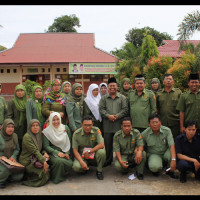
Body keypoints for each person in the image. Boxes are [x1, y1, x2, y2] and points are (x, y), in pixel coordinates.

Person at [99, 77, 128, 166]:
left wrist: (117, 116)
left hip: (118, 125)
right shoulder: (104, 98)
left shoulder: (122, 98)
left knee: (120, 144)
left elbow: (125, 109)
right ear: (108, 87)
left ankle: (120, 160)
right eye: (110, 86)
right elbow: (101, 109)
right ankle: (108, 160)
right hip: (107, 125)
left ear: (117, 87)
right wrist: (108, 116)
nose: (112, 87)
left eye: (114, 85)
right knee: (107, 144)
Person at [142, 113, 178, 179]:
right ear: (149, 124)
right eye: (152, 122)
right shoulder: (145, 133)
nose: (155, 124)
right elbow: (140, 145)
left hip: (165, 152)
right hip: (154, 154)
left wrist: (173, 159)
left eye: (156, 122)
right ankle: (155, 167)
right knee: (155, 167)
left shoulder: (167, 130)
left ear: (160, 123)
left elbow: (171, 145)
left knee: (172, 155)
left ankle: (170, 170)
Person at [72, 115, 106, 180]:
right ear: (82, 124)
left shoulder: (96, 130)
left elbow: (102, 144)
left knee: (102, 152)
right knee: (76, 167)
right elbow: (75, 150)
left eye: (90, 125)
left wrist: (90, 151)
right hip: (83, 156)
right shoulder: (76, 134)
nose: (88, 127)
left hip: (94, 154)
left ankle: (99, 171)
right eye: (85, 125)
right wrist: (81, 162)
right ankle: (85, 168)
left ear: (92, 124)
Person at [42, 112, 73, 184]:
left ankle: (58, 174)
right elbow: (46, 146)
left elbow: (69, 142)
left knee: (70, 164)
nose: (56, 122)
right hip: (52, 153)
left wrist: (67, 153)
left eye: (57, 119)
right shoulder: (46, 132)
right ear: (50, 120)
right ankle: (56, 178)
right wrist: (57, 153)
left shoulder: (65, 128)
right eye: (53, 120)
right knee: (59, 161)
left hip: (64, 151)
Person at [19, 119, 49, 187]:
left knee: (47, 172)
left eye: (37, 125)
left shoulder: (39, 135)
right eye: (33, 126)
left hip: (37, 159)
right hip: (28, 161)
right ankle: (28, 181)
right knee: (44, 173)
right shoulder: (27, 137)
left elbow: (41, 148)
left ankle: (31, 176)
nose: (35, 127)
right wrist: (44, 162)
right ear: (30, 127)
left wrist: (45, 152)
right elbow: (35, 151)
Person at [156, 74, 182, 139]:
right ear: (163, 82)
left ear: (173, 81)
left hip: (175, 123)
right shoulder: (159, 93)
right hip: (163, 122)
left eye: (170, 79)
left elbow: (182, 109)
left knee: (175, 140)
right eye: (166, 79)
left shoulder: (178, 92)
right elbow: (157, 108)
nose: (168, 81)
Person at [0, 119, 24, 188]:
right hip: (1, 160)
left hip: (11, 160)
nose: (11, 129)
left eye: (12, 127)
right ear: (4, 127)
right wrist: (1, 157)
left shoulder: (14, 136)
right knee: (6, 170)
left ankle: (6, 178)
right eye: (8, 127)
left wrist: (13, 156)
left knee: (19, 176)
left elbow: (17, 149)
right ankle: (1, 181)